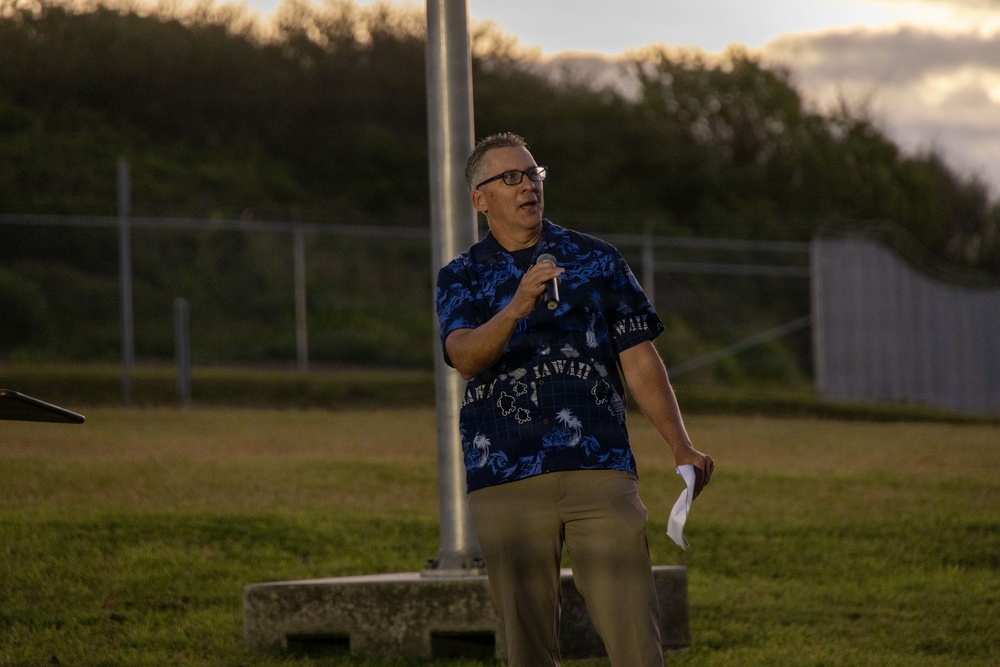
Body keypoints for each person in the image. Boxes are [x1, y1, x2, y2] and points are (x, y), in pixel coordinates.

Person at [435, 132, 714, 667]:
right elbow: (466, 357)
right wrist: (517, 306)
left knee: (637, 644)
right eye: (510, 177)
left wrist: (681, 445)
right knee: (529, 650)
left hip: (600, 471)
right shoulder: (461, 276)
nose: (528, 186)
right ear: (480, 199)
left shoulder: (596, 259)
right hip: (506, 479)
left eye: (534, 174)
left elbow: (638, 357)